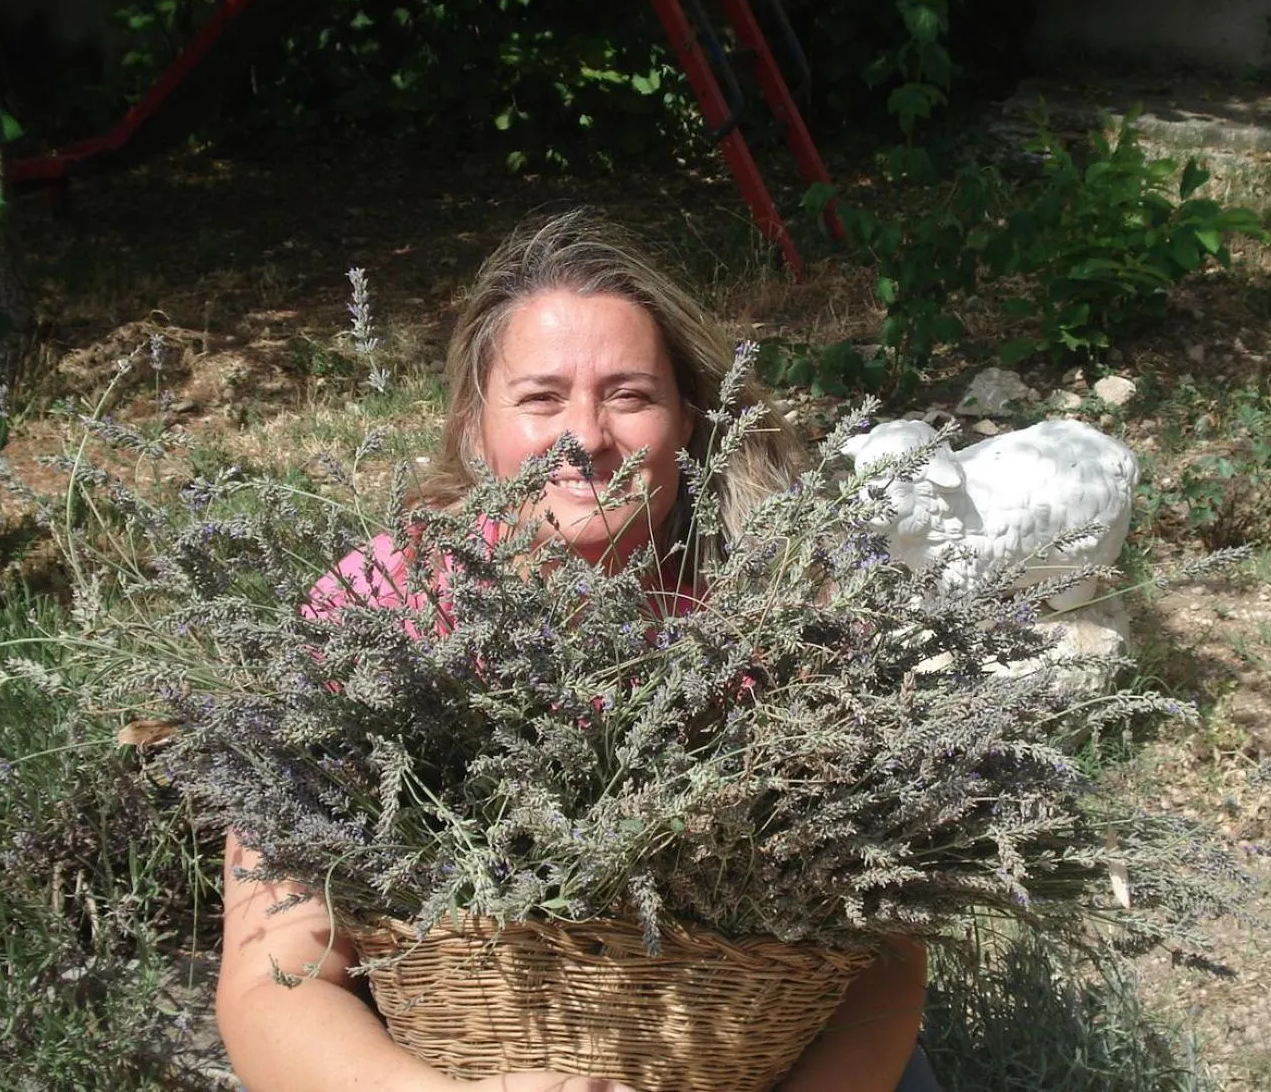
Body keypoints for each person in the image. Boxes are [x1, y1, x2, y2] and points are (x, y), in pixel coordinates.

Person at [215, 208, 937, 1092]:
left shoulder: (789, 608)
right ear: (476, 426)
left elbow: (886, 959)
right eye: (540, 397)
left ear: (689, 422)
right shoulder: (376, 616)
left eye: (630, 395)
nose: (586, 438)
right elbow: (270, 981)